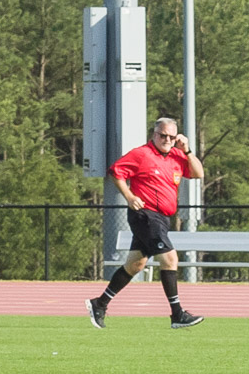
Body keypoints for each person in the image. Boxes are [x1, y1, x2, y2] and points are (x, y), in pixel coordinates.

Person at [86, 117, 205, 329]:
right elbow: (116, 171)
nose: (166, 139)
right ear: (154, 134)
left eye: (171, 136)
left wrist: (187, 150)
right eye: (162, 135)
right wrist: (130, 197)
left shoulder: (178, 156)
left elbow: (198, 173)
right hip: (146, 214)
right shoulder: (142, 154)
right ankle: (177, 314)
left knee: (135, 264)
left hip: (162, 218)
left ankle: (100, 303)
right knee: (170, 259)